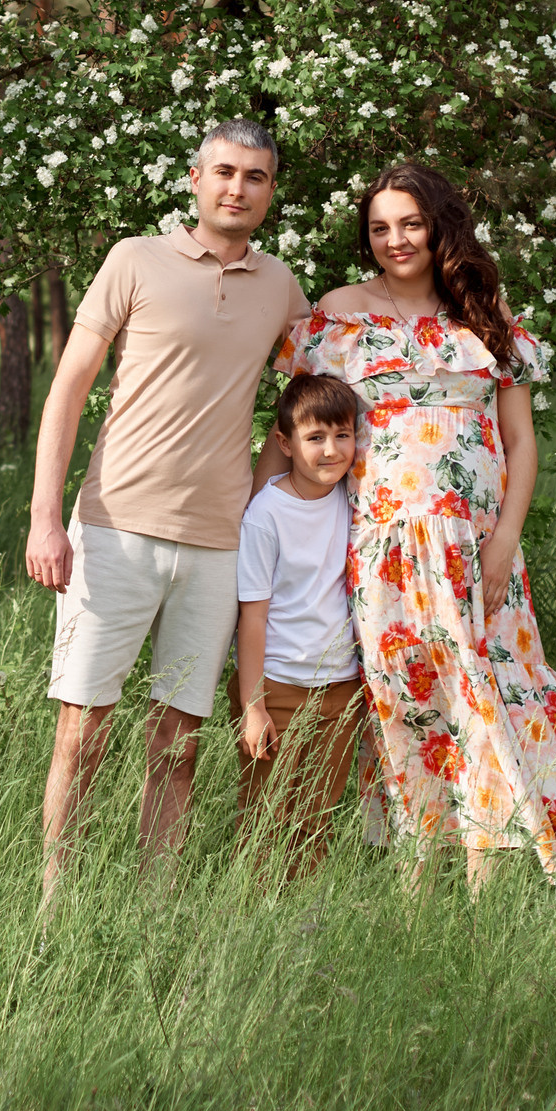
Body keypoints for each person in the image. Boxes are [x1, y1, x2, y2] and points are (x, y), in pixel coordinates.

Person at [271, 159, 556, 885]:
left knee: (488, 690)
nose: (395, 240)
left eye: (410, 223)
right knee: (405, 700)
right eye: (379, 228)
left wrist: (505, 538)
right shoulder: (340, 313)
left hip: (474, 547)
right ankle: (416, 879)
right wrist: (265, 518)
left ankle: (490, 874)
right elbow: (291, 427)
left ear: (440, 224)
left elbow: (521, 441)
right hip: (379, 543)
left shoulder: (482, 315)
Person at [26, 120, 309, 888]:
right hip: (113, 529)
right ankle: (57, 907)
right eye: (223, 172)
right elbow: (69, 389)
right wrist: (44, 519)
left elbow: (307, 404)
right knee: (81, 736)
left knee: (177, 747)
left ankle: (155, 913)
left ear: (270, 192)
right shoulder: (134, 259)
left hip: (218, 545)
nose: (236, 188)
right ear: (194, 178)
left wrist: (262, 504)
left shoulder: (281, 287)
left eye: (255, 177)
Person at [232, 371, 366, 877]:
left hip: (339, 686)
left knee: (315, 820)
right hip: (278, 687)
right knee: (266, 818)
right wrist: (252, 706)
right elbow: (253, 616)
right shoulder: (266, 513)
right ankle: (252, 920)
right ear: (285, 444)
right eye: (315, 438)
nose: (331, 450)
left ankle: (302, 928)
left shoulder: (353, 499)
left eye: (343, 435)